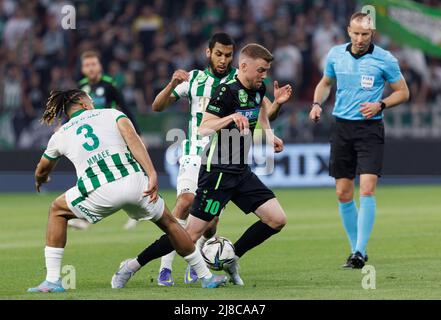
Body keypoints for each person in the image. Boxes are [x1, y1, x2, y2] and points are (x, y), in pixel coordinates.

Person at [110, 43, 292, 288]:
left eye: (267, 70)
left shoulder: (259, 89)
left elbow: (259, 115)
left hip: (241, 171)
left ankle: (229, 257)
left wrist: (270, 135)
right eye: (261, 70)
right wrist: (229, 117)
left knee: (277, 219)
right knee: (189, 235)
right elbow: (205, 126)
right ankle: (132, 265)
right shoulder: (226, 92)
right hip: (217, 172)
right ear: (245, 66)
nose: (264, 75)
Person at [27, 89, 227, 293]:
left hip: (99, 190)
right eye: (90, 99)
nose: (93, 102)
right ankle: (206, 277)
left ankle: (52, 280)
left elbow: (42, 168)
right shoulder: (113, 114)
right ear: (83, 103)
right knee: (170, 223)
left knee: (57, 210)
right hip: (136, 184)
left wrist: (40, 180)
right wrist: (151, 174)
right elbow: (134, 142)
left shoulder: (60, 135)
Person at [309, 12, 409, 269]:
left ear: (372, 33)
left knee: (366, 188)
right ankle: (356, 250)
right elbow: (325, 82)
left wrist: (381, 104)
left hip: (369, 130)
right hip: (342, 128)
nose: (360, 38)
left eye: (365, 34)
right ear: (348, 31)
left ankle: (359, 252)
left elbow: (403, 92)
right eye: (356, 33)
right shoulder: (335, 54)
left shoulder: (385, 59)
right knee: (343, 193)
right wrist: (317, 104)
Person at [68, 50, 140, 230]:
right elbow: (73, 112)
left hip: (112, 137)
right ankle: (85, 218)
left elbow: (126, 109)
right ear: (83, 69)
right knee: (91, 175)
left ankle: (138, 209)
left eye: (93, 64)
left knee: (119, 175)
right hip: (92, 141)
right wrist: (63, 125)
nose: (91, 68)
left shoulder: (109, 85)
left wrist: (137, 134)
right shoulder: (80, 86)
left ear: (99, 66)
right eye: (87, 65)